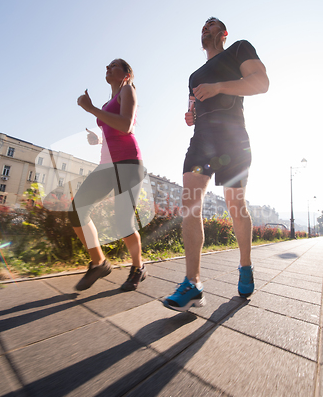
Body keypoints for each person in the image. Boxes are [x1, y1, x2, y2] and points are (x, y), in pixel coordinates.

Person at [163, 17, 269, 311]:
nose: (204, 28)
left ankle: (245, 265)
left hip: (232, 139)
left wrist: (220, 86)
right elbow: (192, 108)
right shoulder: (194, 75)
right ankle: (193, 283)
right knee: (190, 203)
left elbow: (262, 83)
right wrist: (190, 116)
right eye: (202, 26)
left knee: (235, 205)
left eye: (211, 25)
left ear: (223, 33)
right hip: (201, 141)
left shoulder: (238, 50)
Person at [68, 59, 147, 292]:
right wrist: (98, 138)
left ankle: (138, 268)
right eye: (107, 66)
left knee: (123, 222)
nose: (107, 68)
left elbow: (126, 126)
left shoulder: (127, 90)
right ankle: (99, 263)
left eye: (113, 65)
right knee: (77, 210)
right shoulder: (107, 102)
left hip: (129, 163)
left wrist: (91, 109)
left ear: (127, 73)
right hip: (107, 165)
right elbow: (113, 131)